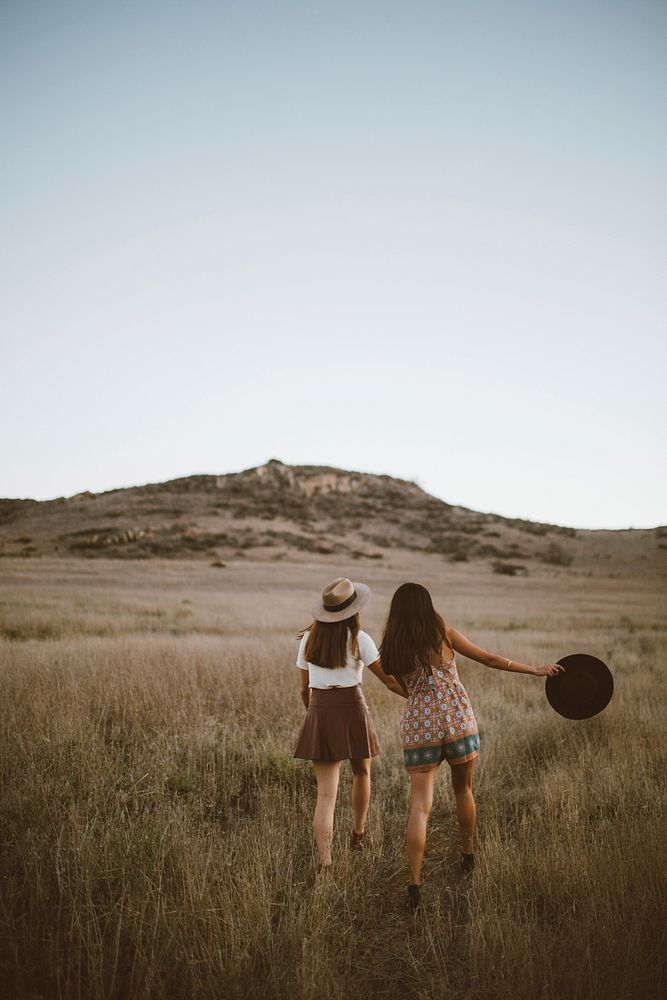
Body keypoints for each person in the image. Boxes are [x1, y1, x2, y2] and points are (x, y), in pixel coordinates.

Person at [379, 582, 566, 911]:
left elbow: (396, 682)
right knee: (463, 790)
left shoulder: (392, 646)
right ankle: (467, 854)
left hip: (419, 727)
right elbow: (490, 659)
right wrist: (535, 670)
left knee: (420, 807)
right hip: (458, 722)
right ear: (427, 605)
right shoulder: (444, 633)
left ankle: (414, 885)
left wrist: (419, 698)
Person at [293, 576, 404, 873]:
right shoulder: (360, 639)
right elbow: (390, 681)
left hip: (320, 710)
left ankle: (325, 863)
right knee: (361, 771)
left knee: (326, 795)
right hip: (353, 708)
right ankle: (358, 833)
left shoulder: (308, 639)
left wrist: (315, 715)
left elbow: (304, 690)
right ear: (352, 609)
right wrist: (416, 694)